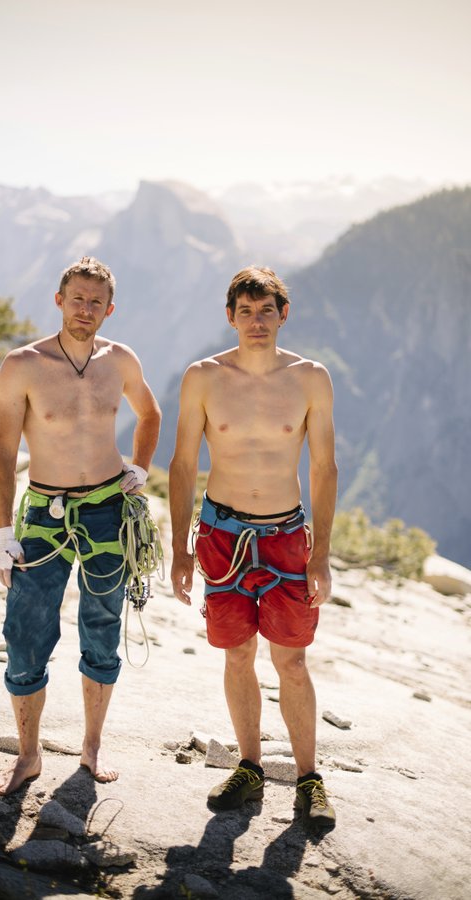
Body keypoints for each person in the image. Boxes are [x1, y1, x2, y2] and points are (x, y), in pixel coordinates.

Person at [169, 266, 338, 827]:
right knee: (237, 653)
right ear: (230, 317)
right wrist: (179, 548)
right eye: (246, 311)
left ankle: (310, 779)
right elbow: (183, 464)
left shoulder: (311, 377)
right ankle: (249, 766)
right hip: (221, 535)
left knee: (291, 660)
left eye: (267, 310)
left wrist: (321, 555)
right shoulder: (204, 376)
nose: (257, 321)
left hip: (287, 536)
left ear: (284, 314)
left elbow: (324, 468)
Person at [0, 256, 161, 795]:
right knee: (25, 631)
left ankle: (91, 746)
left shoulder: (121, 360)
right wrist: (1, 534)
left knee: (103, 627)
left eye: (96, 302)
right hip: (43, 512)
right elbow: (1, 453)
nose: (85, 309)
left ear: (109, 309)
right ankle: (28, 755)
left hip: (110, 506)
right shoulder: (24, 364)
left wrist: (140, 467)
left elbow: (151, 414)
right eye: (77, 298)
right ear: (59, 300)